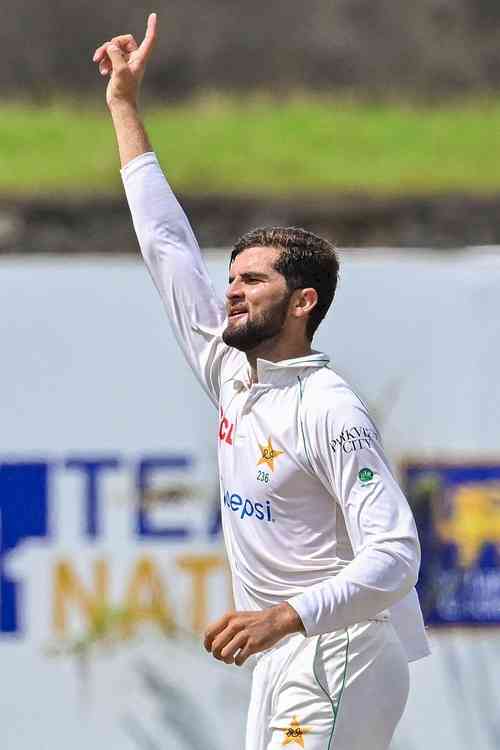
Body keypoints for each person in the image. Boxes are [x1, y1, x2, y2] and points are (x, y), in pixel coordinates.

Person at [93, 14, 430, 749]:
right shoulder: (231, 370)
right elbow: (167, 246)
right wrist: (124, 106)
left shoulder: (329, 409)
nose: (232, 292)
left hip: (343, 649)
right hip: (288, 657)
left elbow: (397, 555)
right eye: (231, 279)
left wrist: (282, 615)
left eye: (254, 280)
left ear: (304, 302)